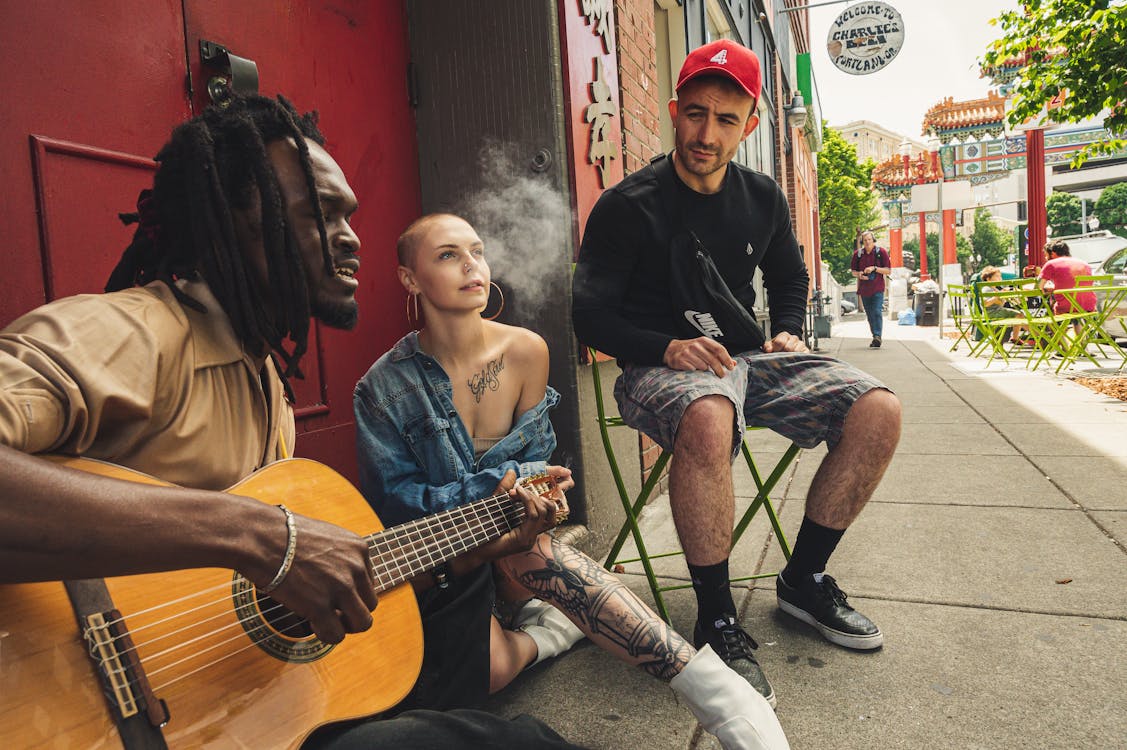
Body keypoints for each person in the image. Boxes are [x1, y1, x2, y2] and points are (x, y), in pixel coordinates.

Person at [0, 94, 585, 750]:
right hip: (65, 717)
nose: (351, 237)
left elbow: (240, 602)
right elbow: (259, 545)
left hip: (229, 717)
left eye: (348, 216)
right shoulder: (130, 333)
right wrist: (259, 536)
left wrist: (468, 547)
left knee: (464, 630)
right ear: (234, 221)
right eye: (318, 213)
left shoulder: (265, 386)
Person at [353, 212, 790, 750]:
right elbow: (397, 507)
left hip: (518, 547)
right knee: (487, 674)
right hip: (444, 560)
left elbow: (542, 470)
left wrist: (526, 494)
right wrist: (499, 490)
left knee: (518, 537)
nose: (472, 265)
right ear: (409, 279)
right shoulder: (381, 388)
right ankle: (550, 634)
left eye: (477, 251)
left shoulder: (526, 351)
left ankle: (721, 694)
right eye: (447, 255)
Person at [572, 39, 901, 708]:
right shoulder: (626, 205)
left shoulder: (761, 196)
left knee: (878, 409)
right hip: (658, 367)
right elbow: (589, 318)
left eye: (725, 119)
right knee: (706, 413)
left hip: (749, 357)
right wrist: (665, 347)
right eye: (694, 114)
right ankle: (717, 619)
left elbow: (787, 275)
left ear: (750, 125)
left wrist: (786, 328)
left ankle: (803, 581)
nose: (706, 133)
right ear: (673, 112)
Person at [850, 230, 891, 347]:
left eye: (869, 240)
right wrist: (859, 274)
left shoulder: (881, 252)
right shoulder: (857, 254)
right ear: (862, 242)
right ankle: (875, 337)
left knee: (877, 312)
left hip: (878, 288)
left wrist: (874, 268)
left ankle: (878, 335)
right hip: (864, 290)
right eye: (865, 240)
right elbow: (853, 271)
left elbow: (888, 270)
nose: (867, 242)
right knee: (870, 315)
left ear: (873, 240)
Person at [1039, 239, 1097, 316]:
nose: (1045, 258)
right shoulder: (1084, 263)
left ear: (1052, 254)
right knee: (1073, 304)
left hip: (1067, 307)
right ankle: (1079, 328)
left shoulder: (1051, 264)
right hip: (1089, 306)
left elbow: (1039, 286)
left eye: (1046, 255)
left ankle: (1059, 328)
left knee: (1052, 305)